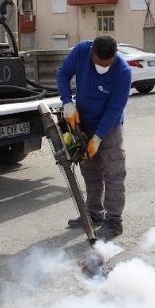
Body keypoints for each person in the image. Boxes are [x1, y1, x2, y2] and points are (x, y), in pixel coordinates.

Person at [56, 35, 132, 241]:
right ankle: (93, 214)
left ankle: (114, 221)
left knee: (114, 173)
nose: (103, 67)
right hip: (82, 123)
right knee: (90, 171)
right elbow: (62, 74)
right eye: (99, 63)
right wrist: (67, 102)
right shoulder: (81, 51)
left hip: (110, 126)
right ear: (92, 54)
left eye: (107, 64)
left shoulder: (123, 72)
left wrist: (98, 138)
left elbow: (115, 108)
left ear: (115, 55)